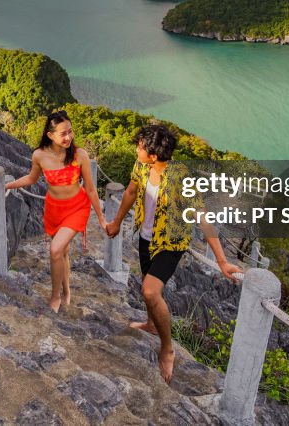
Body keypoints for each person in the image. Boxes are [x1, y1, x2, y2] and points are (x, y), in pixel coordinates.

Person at [106, 124, 243, 384]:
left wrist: (222, 261)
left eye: (140, 147)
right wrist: (116, 223)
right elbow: (130, 193)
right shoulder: (141, 167)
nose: (136, 149)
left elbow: (202, 218)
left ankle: (167, 348)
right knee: (149, 289)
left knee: (149, 290)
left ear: (154, 154)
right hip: (147, 237)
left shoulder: (181, 176)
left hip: (171, 243)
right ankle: (150, 324)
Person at [7, 110, 107, 312]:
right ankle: (67, 290)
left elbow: (90, 188)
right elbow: (31, 179)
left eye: (70, 131)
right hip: (54, 208)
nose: (68, 137)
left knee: (55, 250)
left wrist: (102, 219)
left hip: (77, 207)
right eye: (63, 133)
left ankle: (55, 297)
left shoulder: (80, 155)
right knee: (63, 252)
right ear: (50, 135)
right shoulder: (39, 155)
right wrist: (7, 186)